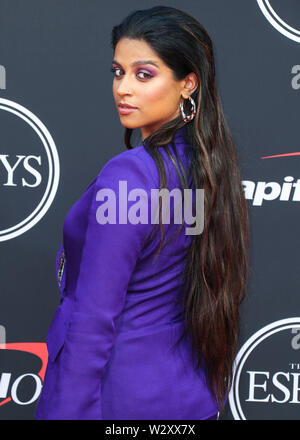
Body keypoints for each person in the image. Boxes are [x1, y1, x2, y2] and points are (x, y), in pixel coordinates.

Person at [35, 6, 250, 420]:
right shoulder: (206, 167)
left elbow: (94, 318)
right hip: (188, 395)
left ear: (188, 83)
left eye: (144, 74)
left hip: (117, 399)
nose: (123, 88)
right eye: (118, 72)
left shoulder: (131, 174)